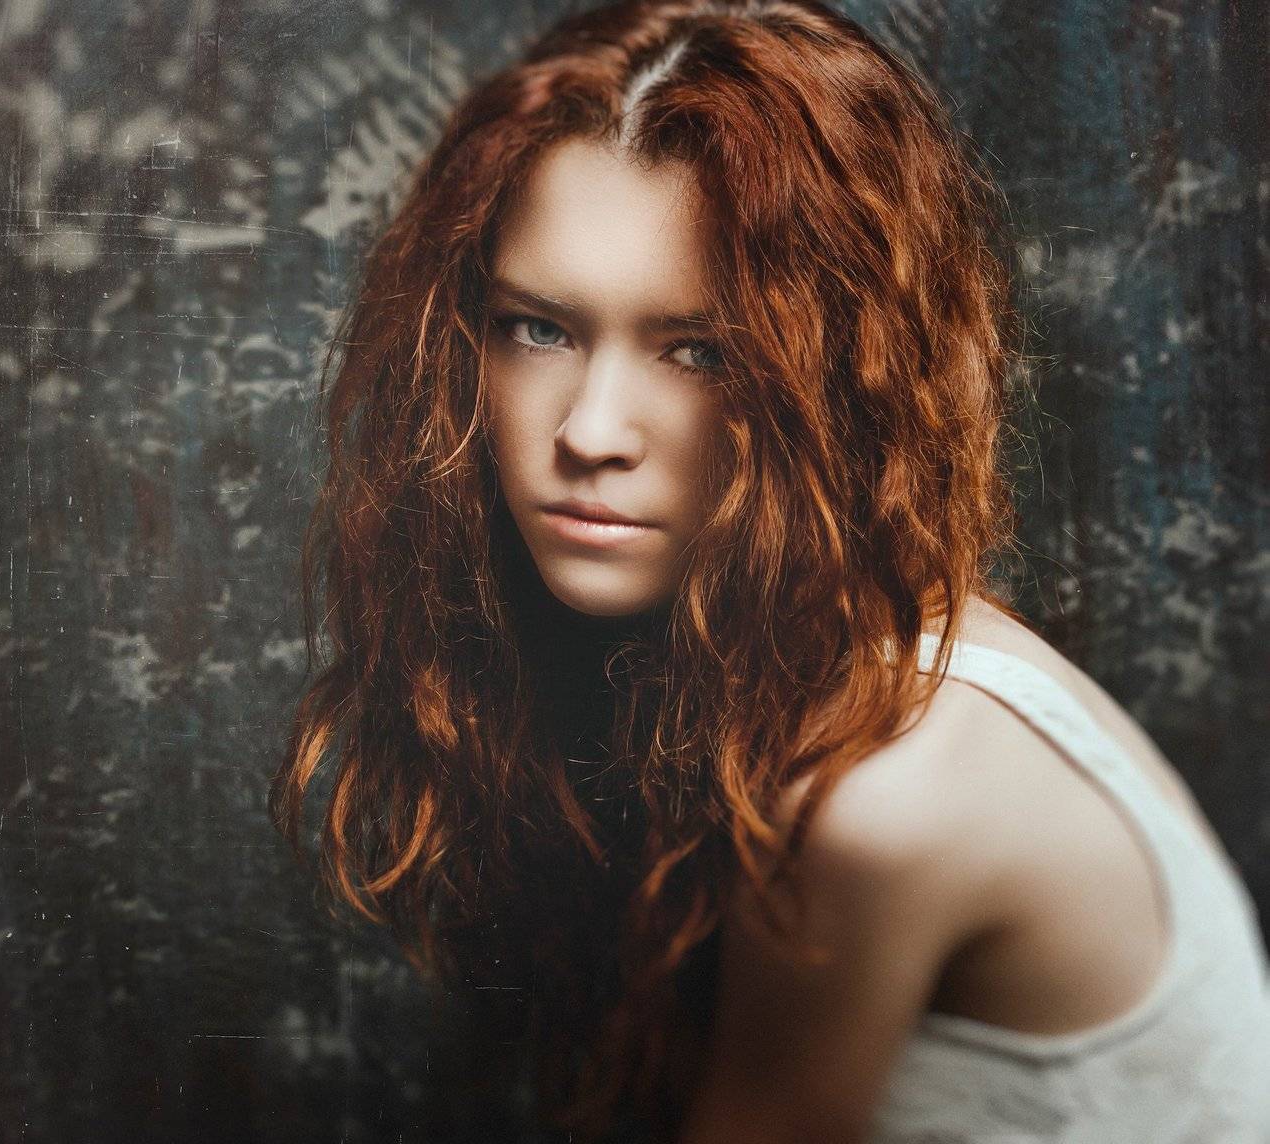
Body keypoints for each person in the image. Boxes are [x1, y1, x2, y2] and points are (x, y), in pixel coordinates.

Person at [270, 2, 1270, 1141]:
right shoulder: (804, 667)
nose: (590, 432)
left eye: (699, 352)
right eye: (539, 329)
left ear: (842, 377)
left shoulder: (877, 798)